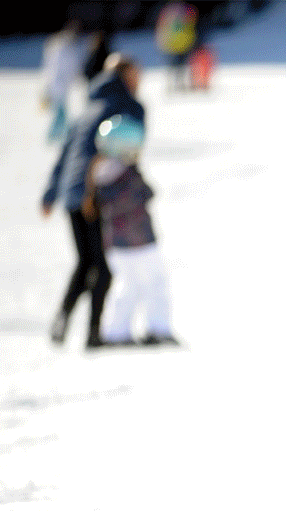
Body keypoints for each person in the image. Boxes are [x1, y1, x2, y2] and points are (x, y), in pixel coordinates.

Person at [42, 53, 145, 349]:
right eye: (136, 73)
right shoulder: (128, 106)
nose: (140, 80)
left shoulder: (87, 110)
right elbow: (122, 152)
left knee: (85, 262)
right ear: (124, 76)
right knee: (103, 266)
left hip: (71, 194)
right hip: (97, 195)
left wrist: (51, 194)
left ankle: (63, 317)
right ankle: (93, 333)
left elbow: (65, 154)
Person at [86, 115, 179, 347]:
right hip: (139, 241)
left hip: (116, 243)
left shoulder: (101, 172)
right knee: (154, 282)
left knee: (128, 286)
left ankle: (116, 331)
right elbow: (146, 193)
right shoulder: (125, 173)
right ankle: (159, 328)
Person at [40, 20, 82, 145]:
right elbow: (56, 70)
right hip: (57, 86)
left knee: (61, 113)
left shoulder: (67, 48)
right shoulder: (60, 49)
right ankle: (55, 136)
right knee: (60, 113)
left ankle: (59, 136)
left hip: (62, 86)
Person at [156, 0, 199, 92]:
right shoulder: (169, 10)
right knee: (175, 65)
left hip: (184, 44)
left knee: (182, 65)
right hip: (174, 45)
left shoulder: (186, 9)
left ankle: (179, 83)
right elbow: (163, 26)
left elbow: (192, 22)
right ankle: (174, 84)